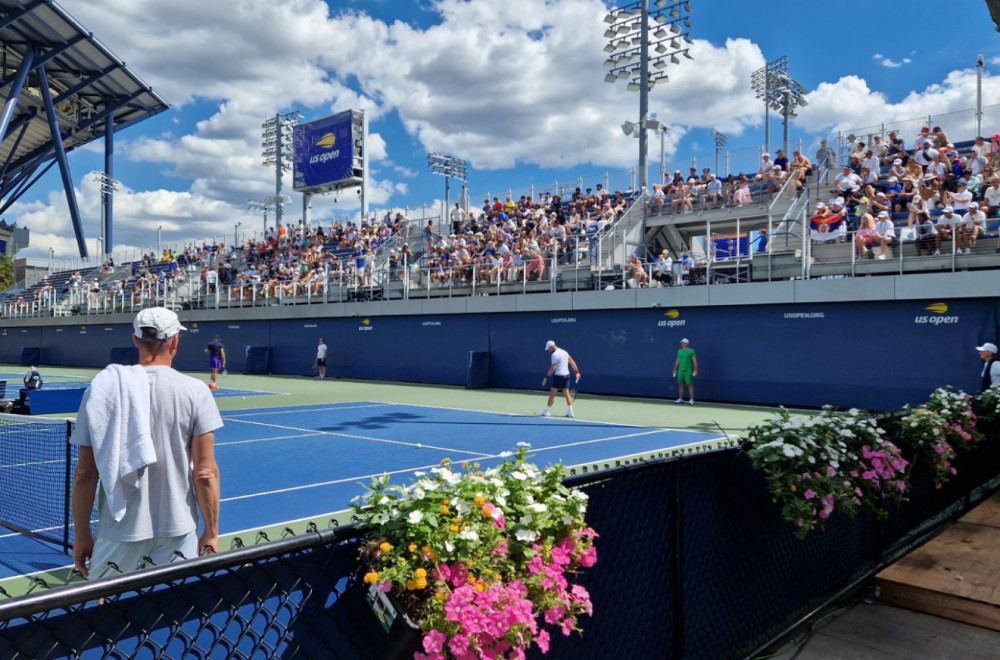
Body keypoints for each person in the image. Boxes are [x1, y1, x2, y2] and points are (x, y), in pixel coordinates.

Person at [70, 307, 223, 578]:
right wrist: (211, 532)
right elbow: (205, 473)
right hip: (179, 532)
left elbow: (85, 473)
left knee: (108, 615)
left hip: (118, 531)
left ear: (135, 340)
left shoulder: (101, 389)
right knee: (175, 613)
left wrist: (82, 534)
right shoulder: (197, 391)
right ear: (175, 341)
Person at [540, 340, 580, 419]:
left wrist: (546, 377)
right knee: (567, 394)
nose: (548, 350)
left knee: (552, 395)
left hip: (558, 377)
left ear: (552, 347)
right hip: (566, 376)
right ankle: (570, 412)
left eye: (549, 349)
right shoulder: (564, 352)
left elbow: (553, 368)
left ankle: (547, 411)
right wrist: (577, 372)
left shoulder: (554, 355)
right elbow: (572, 362)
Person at [672, 338, 698, 405]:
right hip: (681, 370)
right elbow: (678, 360)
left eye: (683, 343)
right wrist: (675, 369)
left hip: (688, 370)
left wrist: (695, 369)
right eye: (682, 343)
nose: (682, 344)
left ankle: (691, 399)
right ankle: (680, 399)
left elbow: (694, 361)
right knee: (680, 385)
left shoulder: (691, 351)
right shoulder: (679, 351)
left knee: (690, 385)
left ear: (687, 344)